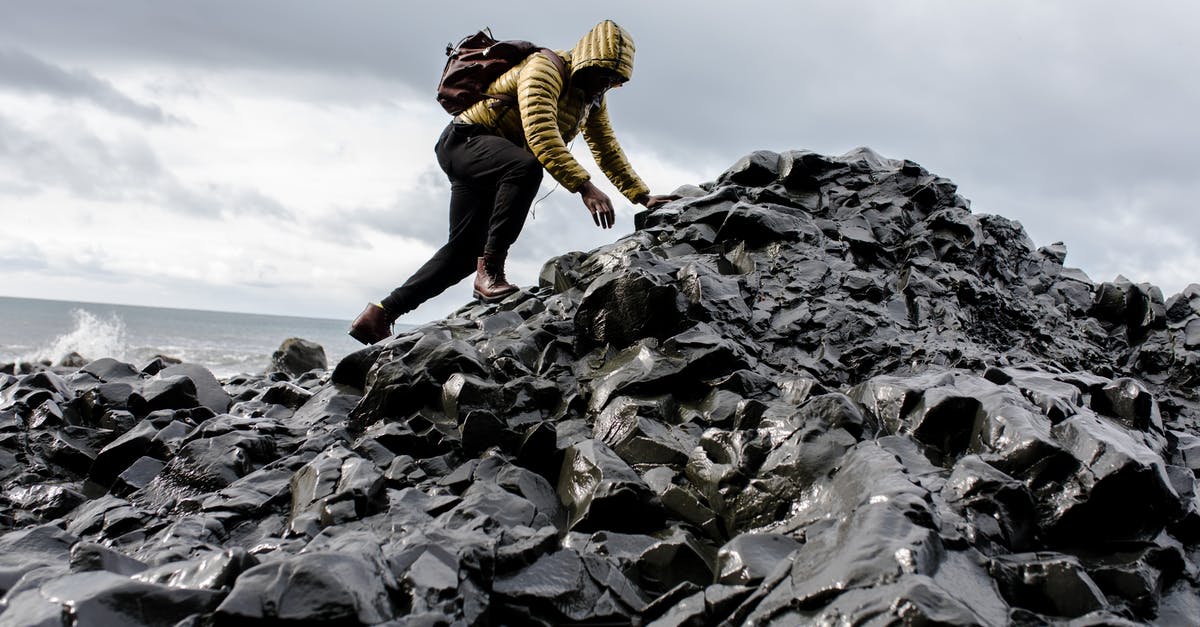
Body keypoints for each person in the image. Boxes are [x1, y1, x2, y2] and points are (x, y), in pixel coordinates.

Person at [348, 19, 677, 345]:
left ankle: (380, 315)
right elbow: (541, 133)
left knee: (462, 254)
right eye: (604, 75)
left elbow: (606, 147)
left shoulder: (591, 98)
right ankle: (490, 271)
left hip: (492, 160)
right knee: (527, 168)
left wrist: (642, 195)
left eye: (615, 81)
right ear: (587, 63)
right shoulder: (544, 68)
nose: (606, 85)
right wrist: (584, 187)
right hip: (464, 142)